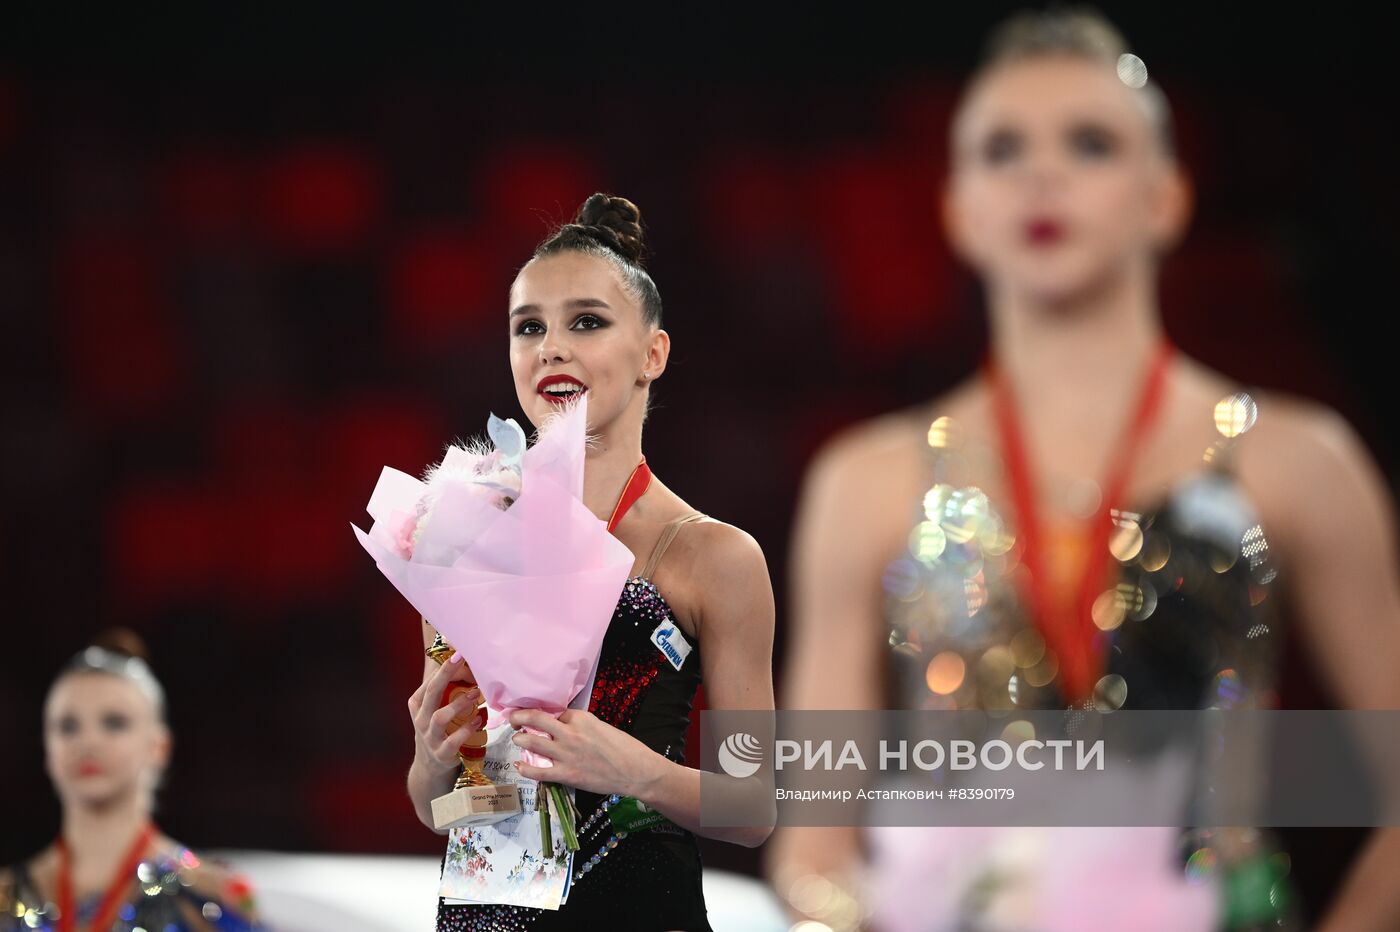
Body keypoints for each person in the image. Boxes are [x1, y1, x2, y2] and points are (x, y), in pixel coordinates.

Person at [765, 8, 1400, 932]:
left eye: (1092, 143)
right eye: (1002, 150)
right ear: (958, 209)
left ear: (1167, 196)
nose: (1041, 175)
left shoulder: (1298, 461)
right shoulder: (864, 481)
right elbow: (812, 842)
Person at [405, 193, 777, 930]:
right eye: (529, 328)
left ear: (653, 354)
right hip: (488, 912)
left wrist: (638, 773)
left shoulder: (714, 556)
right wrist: (431, 759)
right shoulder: (463, 537)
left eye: (587, 323)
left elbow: (754, 804)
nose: (552, 348)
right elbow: (444, 810)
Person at [0, 630, 262, 931]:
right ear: (47, 748)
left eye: (114, 723)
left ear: (158, 747)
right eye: (68, 726)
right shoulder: (6, 897)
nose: (88, 743)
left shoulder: (211, 895)